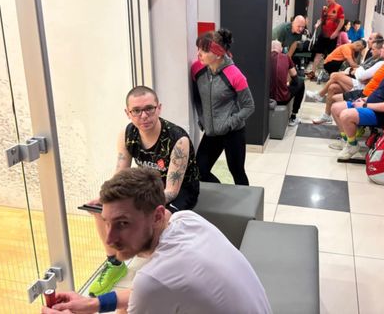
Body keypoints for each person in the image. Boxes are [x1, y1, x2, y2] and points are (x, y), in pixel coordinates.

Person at [42, 168, 271, 314]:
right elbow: (147, 292)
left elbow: (150, 289)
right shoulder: (188, 220)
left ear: (158, 216)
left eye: (123, 223)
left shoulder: (154, 280)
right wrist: (92, 304)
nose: (110, 239)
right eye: (107, 222)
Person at [86, 86, 201, 297]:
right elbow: (120, 173)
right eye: (137, 111)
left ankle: (162, 274)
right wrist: (106, 199)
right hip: (146, 187)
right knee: (101, 210)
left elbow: (172, 191)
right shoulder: (127, 134)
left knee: (161, 217)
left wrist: (137, 206)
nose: (144, 116)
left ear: (159, 108)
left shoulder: (178, 139)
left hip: (180, 191)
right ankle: (114, 264)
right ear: (128, 113)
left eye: (149, 109)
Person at [192, 28, 255, 185]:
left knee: (237, 172)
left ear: (218, 54)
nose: (199, 54)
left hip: (232, 132)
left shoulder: (235, 74)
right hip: (211, 133)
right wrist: (202, 118)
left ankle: (244, 201)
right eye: (198, 48)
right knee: (199, 171)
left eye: (204, 50)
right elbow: (197, 98)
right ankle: (221, 192)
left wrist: (228, 123)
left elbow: (249, 106)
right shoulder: (197, 70)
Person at [330, 41, 384, 160]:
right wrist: (364, 99)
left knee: (345, 115)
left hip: (379, 114)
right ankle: (346, 141)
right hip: (369, 105)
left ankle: (352, 145)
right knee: (335, 108)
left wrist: (364, 105)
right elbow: (378, 93)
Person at [308, 38, 384, 124]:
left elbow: (361, 74)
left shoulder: (381, 62)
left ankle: (320, 95)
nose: (370, 50)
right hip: (358, 81)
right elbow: (360, 69)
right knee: (332, 87)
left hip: (363, 88)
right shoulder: (372, 58)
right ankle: (326, 116)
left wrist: (356, 70)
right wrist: (356, 70)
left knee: (335, 76)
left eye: (374, 48)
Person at [270, 40, 305, 126]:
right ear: (281, 49)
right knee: (301, 83)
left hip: (266, 98)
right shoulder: (286, 57)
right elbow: (295, 79)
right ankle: (293, 117)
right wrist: (287, 83)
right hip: (282, 99)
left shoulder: (264, 58)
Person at [311, 0, 345, 70]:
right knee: (318, 53)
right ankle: (312, 72)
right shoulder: (325, 8)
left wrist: (336, 32)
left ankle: (330, 73)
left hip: (332, 36)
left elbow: (342, 21)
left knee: (331, 55)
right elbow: (321, 19)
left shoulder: (339, 7)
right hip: (323, 34)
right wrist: (317, 24)